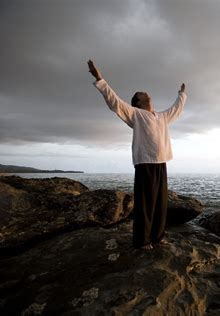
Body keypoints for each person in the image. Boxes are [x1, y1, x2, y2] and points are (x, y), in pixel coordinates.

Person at [87, 59, 187, 251]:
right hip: (145, 163)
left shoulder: (161, 116)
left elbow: (176, 109)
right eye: (141, 93)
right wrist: (99, 78)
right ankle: (142, 240)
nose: (146, 93)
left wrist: (181, 94)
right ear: (138, 102)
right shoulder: (135, 114)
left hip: (161, 162)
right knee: (145, 203)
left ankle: (157, 237)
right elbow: (114, 101)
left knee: (160, 202)